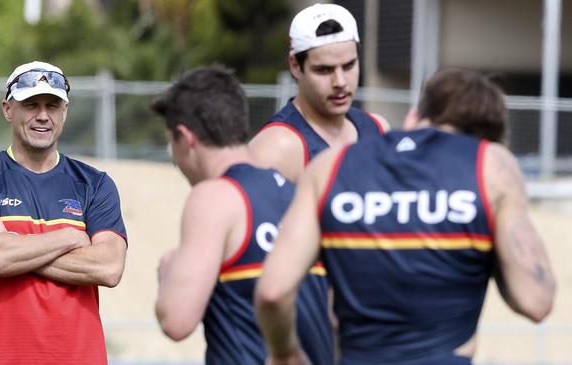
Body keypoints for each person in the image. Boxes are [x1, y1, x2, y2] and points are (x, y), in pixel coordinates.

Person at [255, 68, 556, 365]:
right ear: (486, 139)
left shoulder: (331, 166)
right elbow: (535, 301)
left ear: (415, 115)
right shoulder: (490, 166)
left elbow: (273, 292)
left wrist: (285, 353)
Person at [152, 65, 333, 365]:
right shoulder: (297, 196)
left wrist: (167, 275)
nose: (176, 161)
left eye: (172, 145)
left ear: (185, 138)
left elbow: (177, 320)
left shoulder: (214, 198)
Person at [0, 61, 128, 365]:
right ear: (8, 109)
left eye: (52, 105)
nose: (42, 115)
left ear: (65, 112)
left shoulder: (95, 184)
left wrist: (9, 242)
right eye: (31, 104)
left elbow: (108, 268)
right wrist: (73, 236)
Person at [249, 3, 388, 182]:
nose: (340, 82)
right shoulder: (275, 147)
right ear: (295, 67)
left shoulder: (377, 128)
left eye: (348, 65)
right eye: (324, 70)